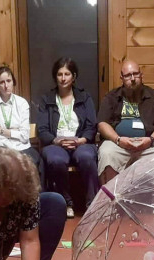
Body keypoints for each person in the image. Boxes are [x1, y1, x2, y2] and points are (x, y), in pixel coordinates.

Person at [36, 57, 99, 218]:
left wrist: (82, 140)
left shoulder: (84, 98)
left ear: (74, 76)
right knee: (55, 160)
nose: (63, 78)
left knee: (86, 157)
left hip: (81, 142)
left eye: (67, 74)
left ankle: (92, 203)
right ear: (55, 77)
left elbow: (91, 126)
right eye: (59, 74)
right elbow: (42, 130)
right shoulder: (47, 99)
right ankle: (66, 203)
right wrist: (56, 141)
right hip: (56, 144)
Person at [97, 59, 154, 183]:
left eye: (135, 74)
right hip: (119, 145)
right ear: (122, 78)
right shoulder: (112, 97)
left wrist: (151, 139)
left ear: (141, 75)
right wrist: (118, 140)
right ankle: (111, 194)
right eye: (128, 75)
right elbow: (102, 123)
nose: (132, 78)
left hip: (149, 145)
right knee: (107, 152)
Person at [0, 66, 43, 184]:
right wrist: (14, 136)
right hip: (1, 149)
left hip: (23, 148)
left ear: (13, 82)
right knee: (2, 166)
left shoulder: (22, 103)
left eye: (9, 81)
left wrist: (4, 131)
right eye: (2, 82)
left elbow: (24, 136)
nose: (6, 85)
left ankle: (35, 194)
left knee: (35, 162)